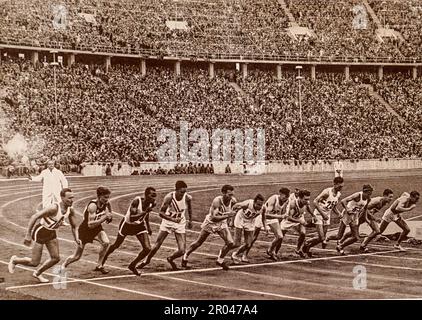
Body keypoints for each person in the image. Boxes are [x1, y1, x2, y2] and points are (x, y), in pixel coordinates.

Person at [8, 188, 79, 283]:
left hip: (51, 232)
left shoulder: (70, 210)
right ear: (62, 198)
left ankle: (37, 273)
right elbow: (35, 216)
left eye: (72, 198)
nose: (71, 200)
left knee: (56, 258)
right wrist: (28, 234)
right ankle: (15, 260)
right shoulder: (54, 208)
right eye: (69, 198)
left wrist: (76, 238)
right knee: (34, 262)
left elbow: (75, 226)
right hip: (40, 232)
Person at [100, 187, 157, 276]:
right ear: (146, 195)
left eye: (155, 195)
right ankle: (102, 261)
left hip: (139, 226)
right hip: (127, 225)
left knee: (147, 248)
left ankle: (132, 265)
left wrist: (148, 227)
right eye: (152, 195)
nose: (154, 198)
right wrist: (144, 212)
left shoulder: (152, 203)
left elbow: (147, 215)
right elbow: (132, 217)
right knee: (116, 245)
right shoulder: (136, 201)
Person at [138, 181, 193, 271]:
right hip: (168, 222)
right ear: (176, 190)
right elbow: (161, 213)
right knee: (157, 244)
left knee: (182, 250)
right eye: (181, 192)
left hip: (180, 223)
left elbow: (190, 208)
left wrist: (190, 220)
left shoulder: (187, 197)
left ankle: (170, 258)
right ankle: (146, 261)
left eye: (184, 192)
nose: (183, 194)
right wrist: (172, 219)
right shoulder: (169, 197)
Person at [182, 185, 237, 270]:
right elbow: (213, 218)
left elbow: (233, 211)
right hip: (211, 223)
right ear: (223, 193)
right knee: (199, 242)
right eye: (229, 195)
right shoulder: (217, 201)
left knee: (230, 243)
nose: (231, 197)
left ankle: (220, 260)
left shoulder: (233, 201)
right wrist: (228, 216)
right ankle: (185, 255)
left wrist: (231, 220)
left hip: (222, 223)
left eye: (232, 195)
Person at [61, 186, 113, 274]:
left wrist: (109, 218)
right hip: (85, 230)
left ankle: (99, 265)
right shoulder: (93, 206)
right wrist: (104, 218)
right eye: (105, 197)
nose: (107, 199)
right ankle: (64, 264)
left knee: (106, 243)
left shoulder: (107, 203)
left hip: (97, 228)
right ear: (99, 196)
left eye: (108, 197)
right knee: (77, 257)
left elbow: (109, 216)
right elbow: (90, 225)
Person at [302, 177, 344, 257]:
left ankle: (308, 244)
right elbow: (315, 201)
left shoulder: (338, 194)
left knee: (323, 237)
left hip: (326, 216)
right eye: (339, 186)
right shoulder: (327, 192)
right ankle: (307, 242)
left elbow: (333, 206)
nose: (340, 188)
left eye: (341, 186)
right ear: (335, 184)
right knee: (321, 238)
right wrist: (322, 214)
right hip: (319, 215)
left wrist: (338, 213)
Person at [342, 188, 394, 252]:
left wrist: (372, 217)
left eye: (392, 197)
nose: (391, 199)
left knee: (376, 231)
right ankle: (342, 241)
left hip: (368, 216)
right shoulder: (377, 201)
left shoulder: (384, 202)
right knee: (354, 232)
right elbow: (365, 209)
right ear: (385, 196)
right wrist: (373, 218)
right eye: (390, 197)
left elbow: (372, 211)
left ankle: (363, 245)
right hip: (361, 215)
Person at [326, 184, 373, 255]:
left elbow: (365, 209)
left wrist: (366, 219)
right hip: (347, 215)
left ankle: (340, 246)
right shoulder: (357, 195)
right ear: (364, 191)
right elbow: (343, 201)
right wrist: (347, 209)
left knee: (356, 237)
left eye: (370, 194)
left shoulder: (368, 199)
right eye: (368, 193)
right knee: (339, 236)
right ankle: (327, 238)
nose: (369, 195)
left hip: (354, 216)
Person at [245, 188, 290, 261]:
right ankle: (245, 254)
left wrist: (281, 219)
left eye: (287, 197)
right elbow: (266, 215)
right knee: (253, 238)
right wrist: (279, 216)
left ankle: (270, 251)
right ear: (280, 194)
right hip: (262, 217)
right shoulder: (274, 199)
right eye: (284, 197)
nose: (285, 199)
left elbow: (281, 211)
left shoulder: (286, 201)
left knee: (280, 236)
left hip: (273, 218)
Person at [230, 194, 265, 264]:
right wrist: (231, 220)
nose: (259, 207)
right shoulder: (247, 204)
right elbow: (234, 207)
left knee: (248, 244)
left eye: (261, 205)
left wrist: (265, 226)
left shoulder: (263, 208)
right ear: (254, 202)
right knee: (237, 243)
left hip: (250, 222)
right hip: (240, 219)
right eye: (258, 204)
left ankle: (235, 254)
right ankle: (223, 253)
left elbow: (264, 217)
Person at [279, 189, 314, 257]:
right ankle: (274, 251)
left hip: (299, 217)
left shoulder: (306, 202)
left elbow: (308, 208)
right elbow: (289, 217)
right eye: (305, 199)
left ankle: (298, 250)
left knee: (303, 233)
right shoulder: (293, 204)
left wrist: (313, 215)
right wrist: (299, 221)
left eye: (308, 199)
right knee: (280, 237)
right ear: (300, 198)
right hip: (288, 220)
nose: (307, 201)